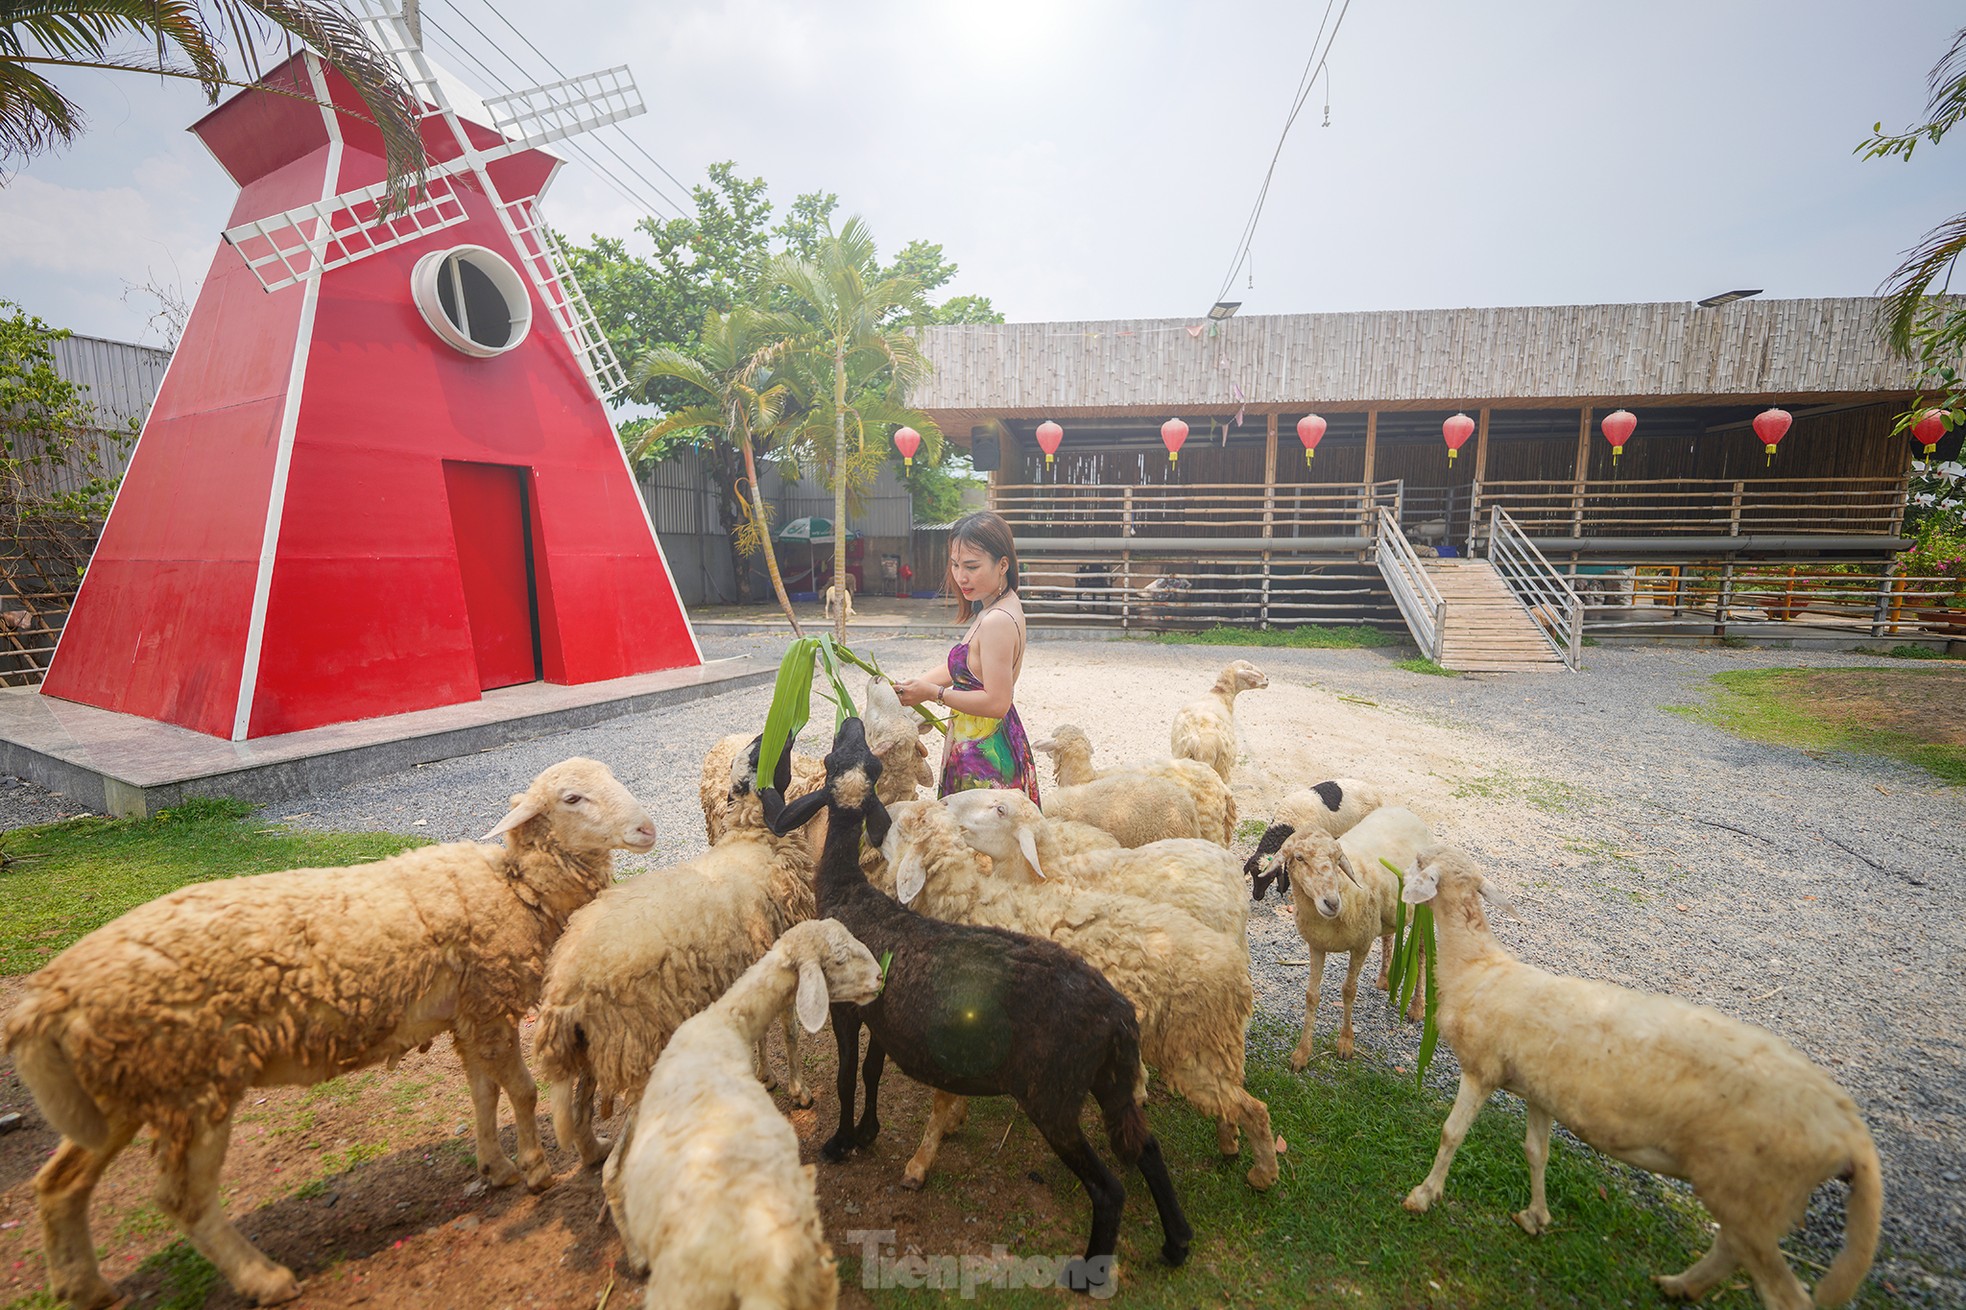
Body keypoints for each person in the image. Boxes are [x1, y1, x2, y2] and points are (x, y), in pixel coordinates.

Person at [892, 511, 1039, 803]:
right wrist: (906, 690)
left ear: (1003, 564)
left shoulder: (997, 619)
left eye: (972, 566)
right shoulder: (994, 605)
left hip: (985, 757)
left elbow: (997, 703)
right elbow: (962, 669)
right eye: (956, 564)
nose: (961, 576)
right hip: (977, 743)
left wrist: (934, 694)